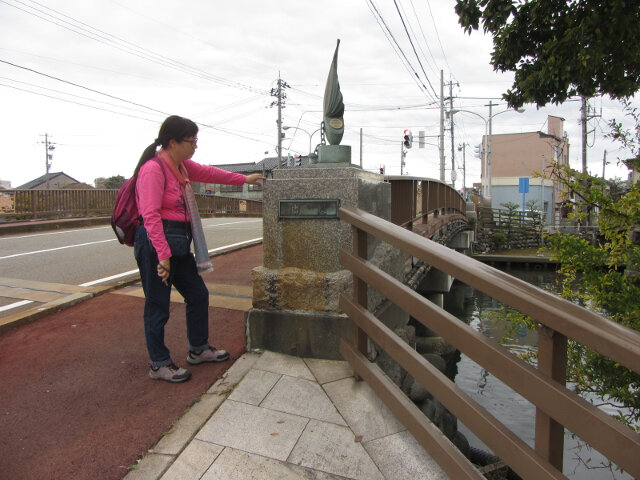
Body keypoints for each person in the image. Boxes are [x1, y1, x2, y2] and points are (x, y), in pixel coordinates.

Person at [133, 115, 265, 383]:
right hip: (157, 244)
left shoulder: (180, 166)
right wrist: (163, 256)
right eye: (191, 141)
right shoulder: (153, 169)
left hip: (179, 242)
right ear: (172, 142)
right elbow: (150, 216)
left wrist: (243, 179)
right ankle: (158, 363)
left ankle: (198, 348)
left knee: (198, 294)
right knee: (158, 305)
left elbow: (209, 172)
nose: (195, 146)